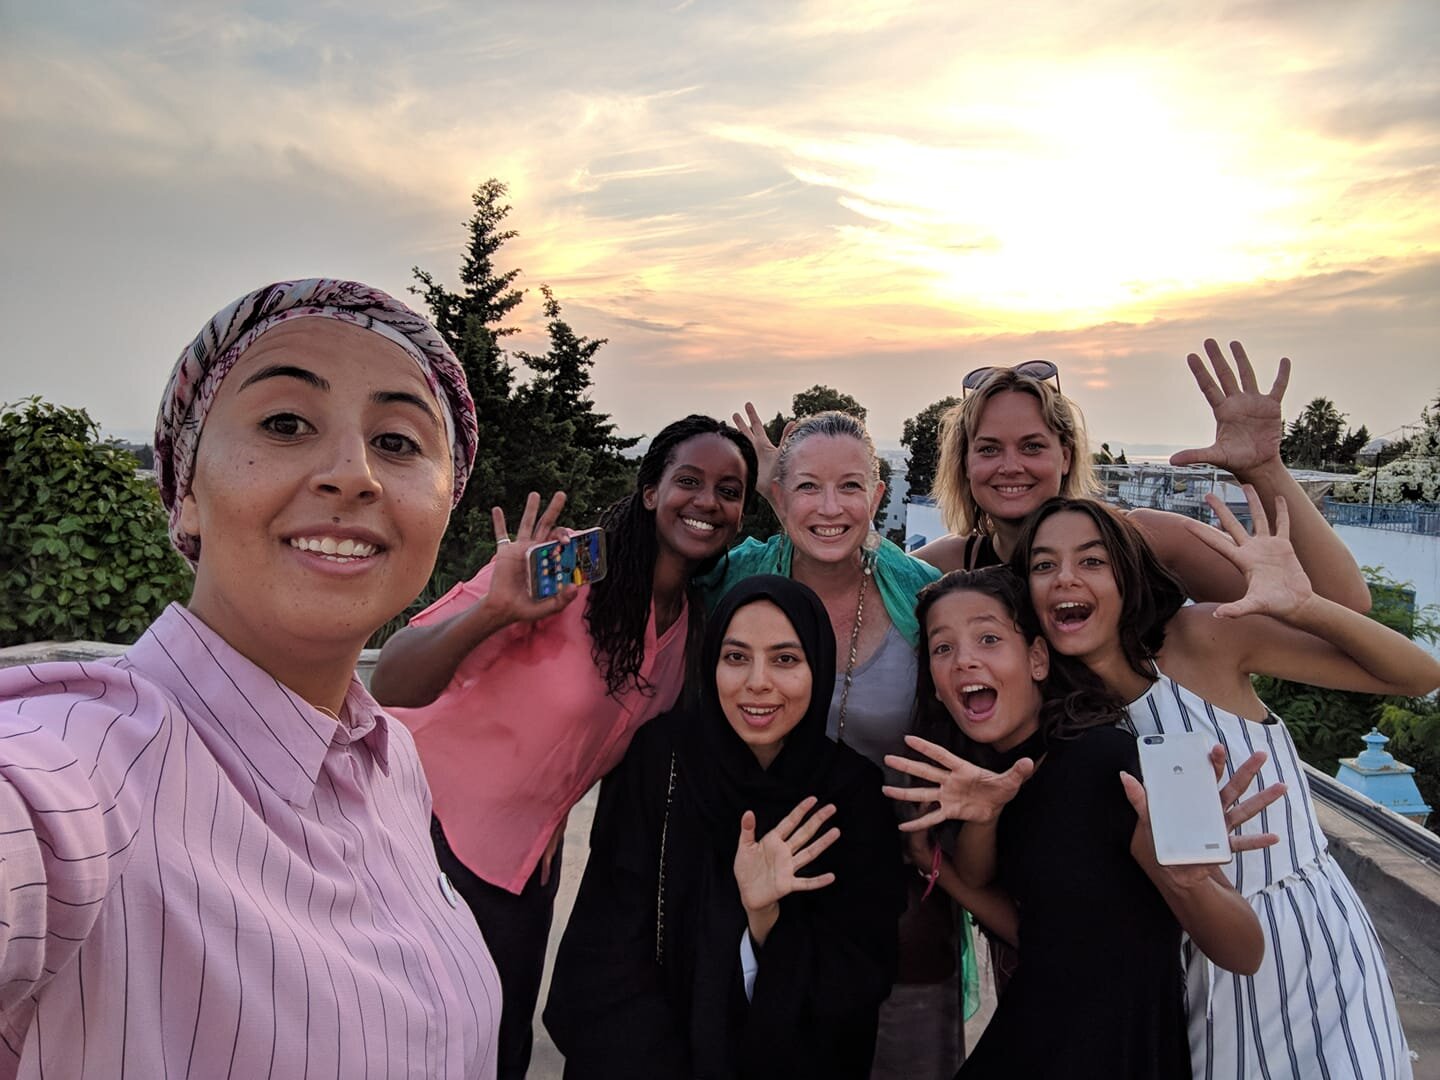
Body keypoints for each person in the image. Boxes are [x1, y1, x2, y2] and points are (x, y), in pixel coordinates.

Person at [0, 279, 500, 1077]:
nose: (353, 474)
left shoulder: (390, 761)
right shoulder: (79, 761)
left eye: (399, 441)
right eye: (285, 423)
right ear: (185, 493)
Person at [370, 415, 757, 1079]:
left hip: (521, 872)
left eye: (730, 490)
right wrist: (493, 611)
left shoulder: (693, 625)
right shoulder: (580, 560)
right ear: (649, 491)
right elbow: (394, 679)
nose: (706, 502)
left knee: (495, 1053)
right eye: (687, 481)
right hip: (421, 837)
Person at [1012, 491, 1440, 1079]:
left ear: (1128, 576)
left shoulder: (1203, 637)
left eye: (1092, 560)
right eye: (1043, 564)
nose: (1065, 578)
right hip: (1186, 966)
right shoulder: (1053, 720)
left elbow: (1417, 675)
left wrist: (1305, 606)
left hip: (1309, 939)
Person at [718, 409, 1013, 1077]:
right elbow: (653, 575)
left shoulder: (918, 596)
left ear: (878, 496)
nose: (830, 508)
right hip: (749, 877)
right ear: (778, 493)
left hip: (896, 894)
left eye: (850, 487)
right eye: (807, 488)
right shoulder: (737, 580)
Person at [889, 566, 1273, 1078]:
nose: (965, 660)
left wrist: (1191, 881)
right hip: (1039, 1036)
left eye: (988, 638)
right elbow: (1049, 938)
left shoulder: (1106, 762)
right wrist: (940, 856)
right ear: (935, 686)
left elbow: (1244, 951)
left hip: (1114, 1049)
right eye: (943, 648)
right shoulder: (993, 780)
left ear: (1037, 659)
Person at [544, 576, 905, 1079]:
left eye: (785, 659)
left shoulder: (849, 797)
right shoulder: (661, 762)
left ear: (818, 668)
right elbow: (606, 947)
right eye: (736, 657)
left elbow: (857, 979)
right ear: (710, 661)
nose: (758, 682)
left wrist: (764, 922)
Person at [911, 342, 1372, 614]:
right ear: (966, 465)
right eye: (989, 449)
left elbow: (1343, 606)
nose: (1011, 465)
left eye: (1032, 446)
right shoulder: (949, 565)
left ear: (1066, 456)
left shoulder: (1148, 539)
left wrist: (1265, 468)